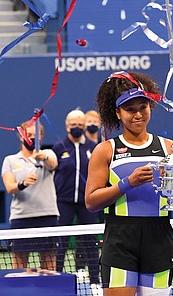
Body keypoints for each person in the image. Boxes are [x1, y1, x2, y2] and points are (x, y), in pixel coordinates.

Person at [85, 71, 173, 296]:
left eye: (142, 107)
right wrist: (127, 183)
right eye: (130, 109)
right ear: (117, 113)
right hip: (120, 238)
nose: (137, 114)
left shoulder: (169, 147)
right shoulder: (105, 150)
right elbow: (91, 202)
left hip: (159, 238)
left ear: (150, 108)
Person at [52, 109, 101, 293]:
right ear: (66, 126)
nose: (77, 128)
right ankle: (56, 279)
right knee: (61, 242)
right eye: (73, 125)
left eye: (80, 125)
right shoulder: (59, 147)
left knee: (90, 241)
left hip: (86, 201)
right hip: (63, 201)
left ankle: (95, 281)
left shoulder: (92, 147)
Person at [1, 120, 59, 270]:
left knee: (49, 265)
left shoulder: (48, 154)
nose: (32, 138)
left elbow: (53, 165)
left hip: (47, 216)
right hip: (21, 218)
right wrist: (23, 183)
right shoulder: (10, 160)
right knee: (20, 266)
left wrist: (43, 158)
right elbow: (10, 187)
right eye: (29, 135)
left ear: (41, 137)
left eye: (36, 135)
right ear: (21, 136)